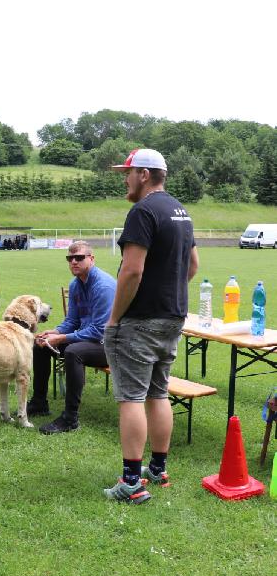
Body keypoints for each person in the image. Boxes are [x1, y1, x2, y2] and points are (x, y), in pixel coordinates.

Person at [103, 148, 199, 504]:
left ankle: (131, 483)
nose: (125, 179)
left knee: (131, 397)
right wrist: (168, 291)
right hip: (173, 317)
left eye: (127, 173)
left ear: (144, 174)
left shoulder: (142, 211)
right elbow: (192, 265)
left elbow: (132, 270)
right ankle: (157, 470)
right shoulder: (180, 211)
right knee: (159, 393)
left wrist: (114, 319)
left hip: (140, 321)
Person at [27, 241, 117, 434]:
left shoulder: (103, 286)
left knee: (73, 352)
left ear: (91, 259)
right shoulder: (76, 284)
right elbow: (73, 320)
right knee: (41, 345)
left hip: (112, 345)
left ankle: (70, 418)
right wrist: (55, 332)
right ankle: (39, 402)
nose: (74, 262)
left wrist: (62, 339)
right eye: (70, 258)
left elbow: (99, 331)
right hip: (89, 340)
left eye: (79, 258)